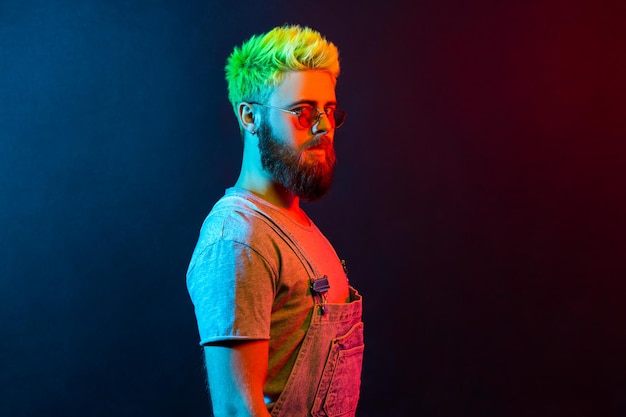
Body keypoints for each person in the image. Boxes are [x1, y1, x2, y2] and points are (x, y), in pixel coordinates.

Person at [186, 24, 364, 417]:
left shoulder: (292, 224)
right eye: (302, 112)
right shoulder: (238, 238)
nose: (323, 127)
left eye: (329, 110)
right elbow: (237, 410)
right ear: (250, 116)